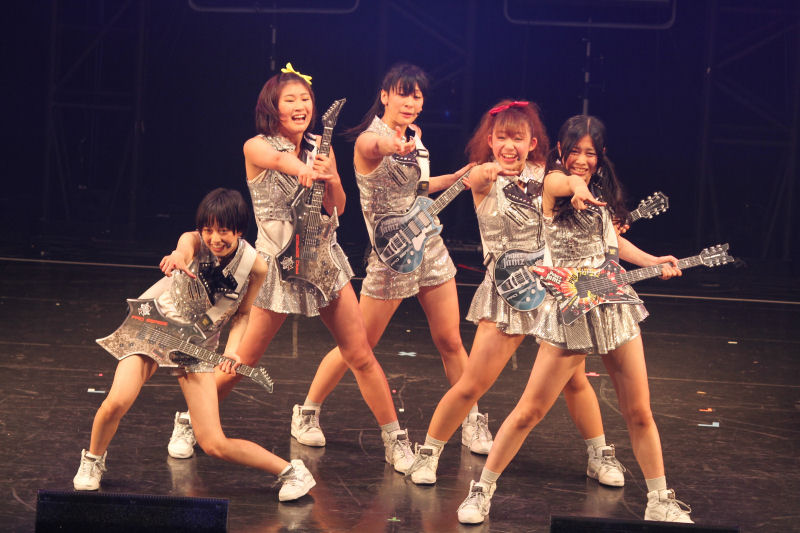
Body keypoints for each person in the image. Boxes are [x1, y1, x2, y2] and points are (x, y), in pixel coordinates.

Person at [168, 63, 415, 473]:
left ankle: (395, 440)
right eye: (290, 100)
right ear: (273, 107)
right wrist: (303, 169)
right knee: (243, 361)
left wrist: (331, 178)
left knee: (360, 353)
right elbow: (276, 160)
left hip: (323, 261)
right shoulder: (256, 146)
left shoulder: (322, 146)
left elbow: (337, 207)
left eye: (305, 99)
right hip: (276, 268)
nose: (300, 106)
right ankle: (189, 421)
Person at [455, 115, 694, 524]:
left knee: (640, 412)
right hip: (570, 308)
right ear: (560, 152)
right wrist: (577, 186)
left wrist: (655, 261)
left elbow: (611, 242)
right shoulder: (553, 183)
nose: (582, 160)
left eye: (590, 153)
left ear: (601, 156)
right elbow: (565, 184)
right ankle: (481, 491)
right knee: (530, 411)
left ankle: (659, 499)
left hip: (613, 303)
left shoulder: (601, 192)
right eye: (575, 152)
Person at [406, 101, 625, 489]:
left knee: (576, 382)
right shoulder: (482, 176)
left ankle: (599, 455)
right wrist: (486, 171)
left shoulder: (547, 176)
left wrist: (578, 187)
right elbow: (477, 177)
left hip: (553, 294)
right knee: (472, 384)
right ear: (490, 141)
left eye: (518, 138)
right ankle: (429, 453)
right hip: (508, 294)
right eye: (502, 138)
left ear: (532, 142)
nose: (510, 146)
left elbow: (564, 186)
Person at [286, 63, 487, 458]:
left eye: (417, 96)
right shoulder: (370, 139)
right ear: (385, 95)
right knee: (359, 344)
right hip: (391, 253)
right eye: (403, 94)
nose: (410, 102)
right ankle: (306, 412)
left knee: (450, 340)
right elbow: (372, 148)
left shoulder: (416, 138)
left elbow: (421, 189)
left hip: (429, 246)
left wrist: (461, 176)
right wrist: (392, 146)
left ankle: (472, 418)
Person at [73, 188, 316, 502]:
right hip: (155, 327)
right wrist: (178, 257)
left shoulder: (255, 267)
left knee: (213, 443)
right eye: (208, 230)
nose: (214, 238)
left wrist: (232, 350)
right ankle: (93, 460)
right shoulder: (194, 241)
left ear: (239, 231)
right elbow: (184, 248)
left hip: (197, 343)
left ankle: (292, 471)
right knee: (118, 400)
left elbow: (242, 314)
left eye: (223, 231)